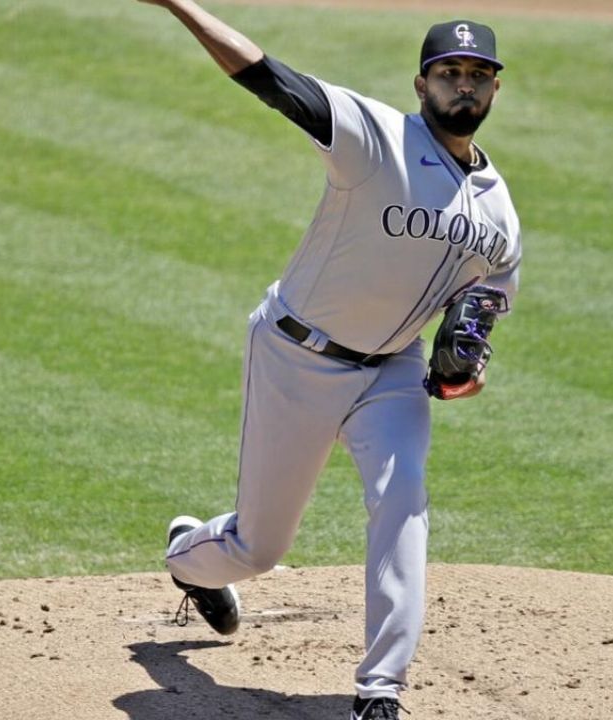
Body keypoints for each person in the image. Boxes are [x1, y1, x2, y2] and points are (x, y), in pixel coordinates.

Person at [141, 2, 522, 718]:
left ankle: (380, 692)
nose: (463, 86)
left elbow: (483, 311)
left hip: (392, 372)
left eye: (478, 75)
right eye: (450, 73)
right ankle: (188, 557)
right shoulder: (373, 135)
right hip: (296, 354)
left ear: (496, 90)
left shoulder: (500, 212)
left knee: (404, 498)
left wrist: (463, 360)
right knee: (257, 547)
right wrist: (179, 5)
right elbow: (266, 77)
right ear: (421, 84)